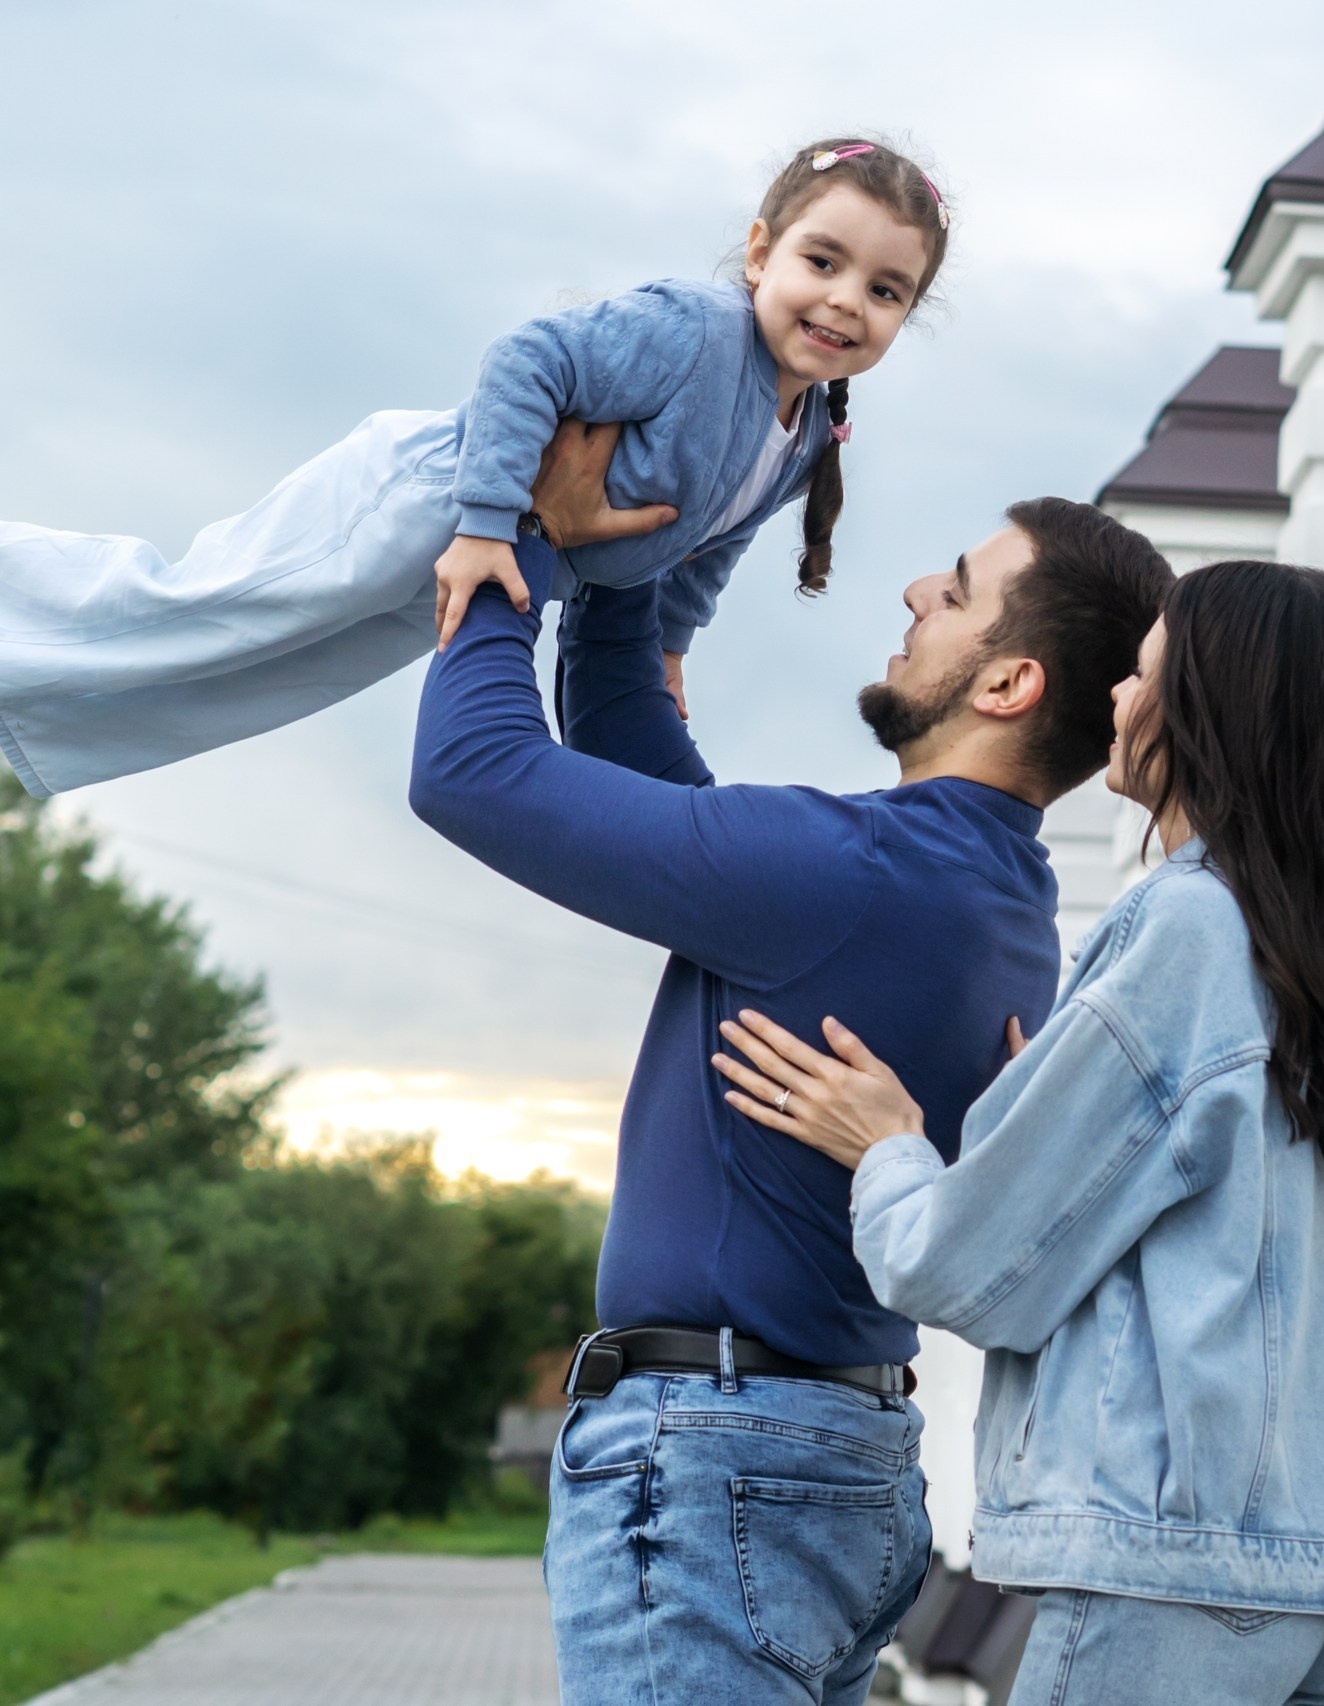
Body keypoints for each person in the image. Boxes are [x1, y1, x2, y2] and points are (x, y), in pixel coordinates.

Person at [408, 430, 1171, 1705]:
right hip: (833, 1457)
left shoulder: (843, 870)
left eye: (957, 591)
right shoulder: (989, 898)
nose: (918, 596)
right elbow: (638, 779)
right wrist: (638, 551)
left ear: (1007, 683)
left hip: (715, 1468)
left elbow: (470, 771)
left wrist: (512, 539)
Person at [712, 559, 1324, 1706]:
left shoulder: (1188, 927)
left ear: (1202, 711)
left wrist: (887, 1145)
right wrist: (1051, 1109)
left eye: (1144, 672)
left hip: (1163, 1585)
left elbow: (961, 1263)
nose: (1116, 694)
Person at [0, 137, 948, 792]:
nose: (845, 301)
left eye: (884, 289)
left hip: (483, 563)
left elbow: (701, 548)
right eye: (822, 261)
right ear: (759, 251)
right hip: (433, 499)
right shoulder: (695, 331)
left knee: (251, 671)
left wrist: (672, 646)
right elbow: (528, 360)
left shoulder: (806, 434)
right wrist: (486, 519)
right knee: (205, 600)